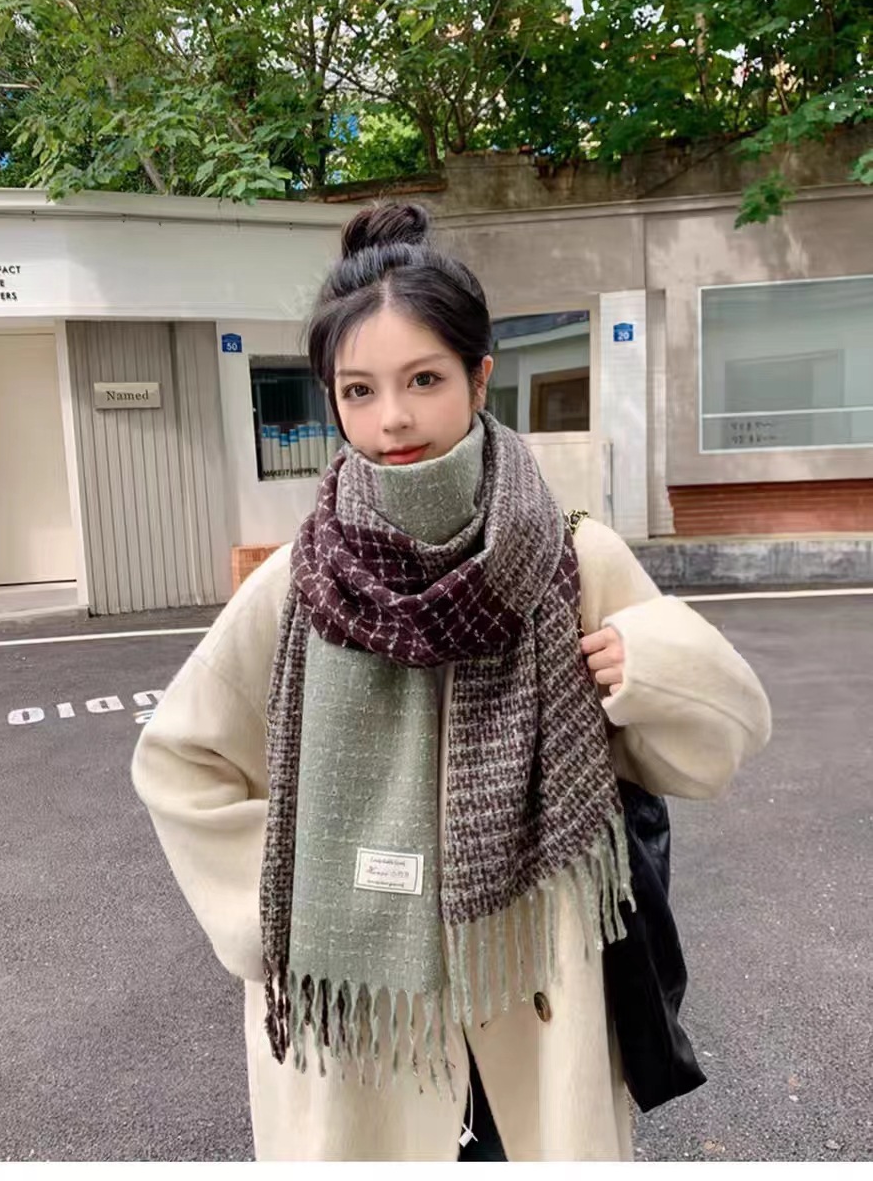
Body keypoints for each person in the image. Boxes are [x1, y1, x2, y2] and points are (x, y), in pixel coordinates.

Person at [132, 202, 772, 1162]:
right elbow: (179, 760)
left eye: (423, 379)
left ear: (479, 377)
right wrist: (286, 897)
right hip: (363, 1036)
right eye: (358, 390)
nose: (391, 418)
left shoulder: (569, 556)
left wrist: (647, 670)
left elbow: (722, 741)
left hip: (534, 993)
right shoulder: (300, 582)